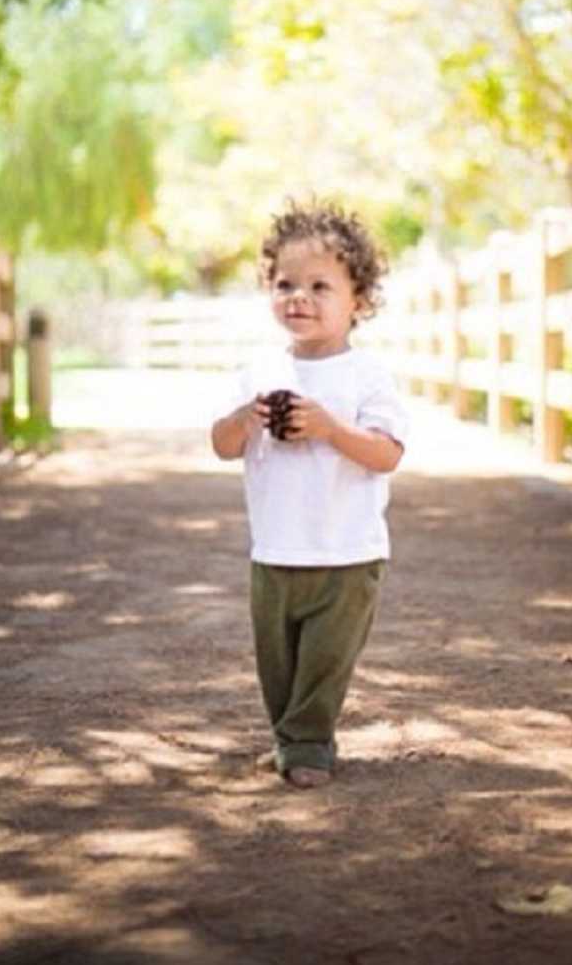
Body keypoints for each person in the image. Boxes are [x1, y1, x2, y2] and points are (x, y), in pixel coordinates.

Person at [210, 200, 408, 790]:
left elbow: (388, 453)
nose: (299, 296)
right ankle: (289, 735)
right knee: (278, 664)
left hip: (347, 553)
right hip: (274, 551)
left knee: (323, 662)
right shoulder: (259, 370)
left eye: (320, 286)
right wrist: (247, 418)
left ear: (359, 301)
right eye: (285, 283)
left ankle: (308, 745)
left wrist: (329, 429)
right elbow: (221, 445)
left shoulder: (367, 375)